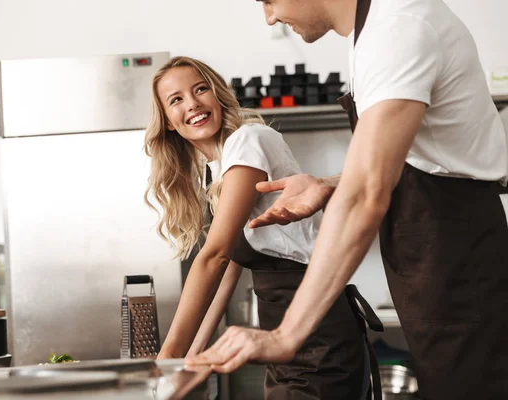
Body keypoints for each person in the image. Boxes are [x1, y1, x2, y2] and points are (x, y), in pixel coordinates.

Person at [187, 0, 508, 399]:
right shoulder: (372, 34)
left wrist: (287, 334)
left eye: (267, 0)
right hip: (433, 264)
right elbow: (411, 163)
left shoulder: (398, 28)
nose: (269, 17)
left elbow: (366, 195)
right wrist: (330, 183)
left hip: (458, 263)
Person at [144, 56, 379, 399]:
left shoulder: (248, 140)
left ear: (217, 94)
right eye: (176, 99)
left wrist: (167, 361)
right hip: (287, 332)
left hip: (316, 329)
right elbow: (229, 272)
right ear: (167, 121)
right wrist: (192, 361)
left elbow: (216, 256)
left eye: (200, 89)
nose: (193, 103)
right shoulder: (219, 167)